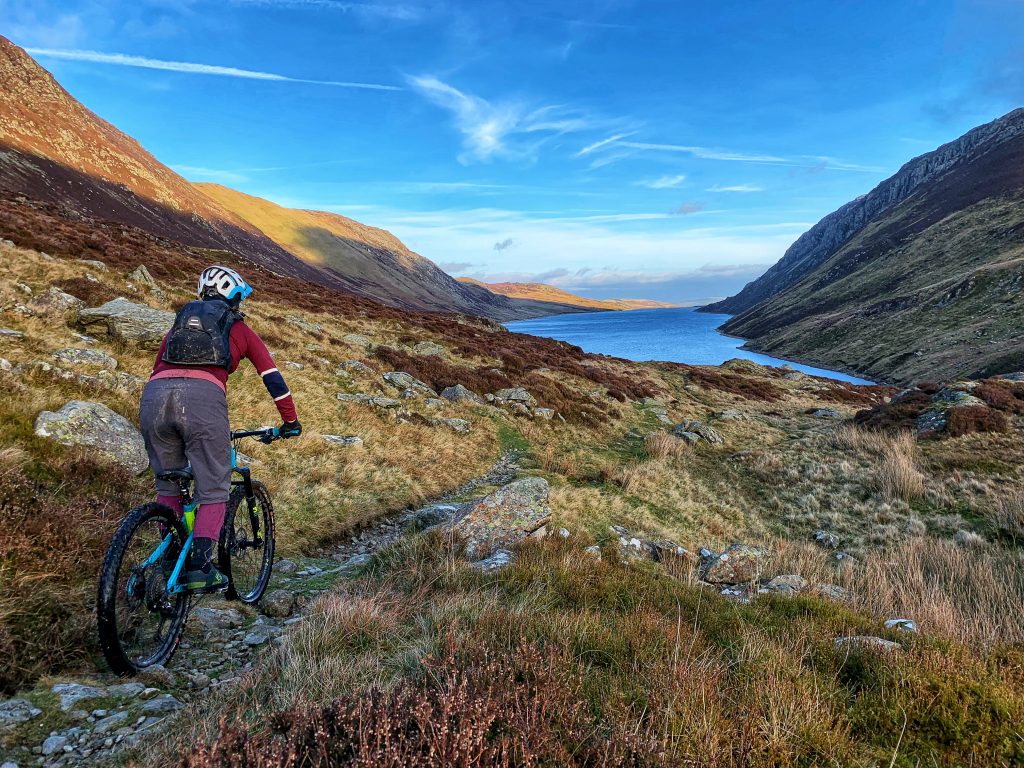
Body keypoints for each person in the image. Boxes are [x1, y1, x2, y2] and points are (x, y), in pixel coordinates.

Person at [140, 265, 301, 591]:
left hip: (154, 398)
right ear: (235, 298)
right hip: (202, 402)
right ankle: (200, 566)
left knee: (169, 485)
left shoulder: (180, 325)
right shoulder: (238, 328)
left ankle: (169, 561)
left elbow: (158, 366)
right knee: (214, 486)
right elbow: (273, 379)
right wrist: (290, 422)